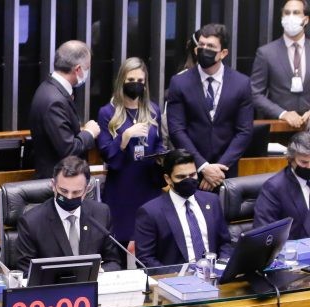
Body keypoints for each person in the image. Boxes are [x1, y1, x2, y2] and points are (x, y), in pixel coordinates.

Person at [166, 23, 253, 189]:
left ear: (223, 53)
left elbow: (244, 131)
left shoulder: (241, 83)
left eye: (211, 46)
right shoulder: (179, 82)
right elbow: (176, 129)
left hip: (226, 173)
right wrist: (203, 167)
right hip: (190, 171)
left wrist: (218, 169)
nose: (204, 49)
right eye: (201, 45)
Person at [97, 57, 164, 254]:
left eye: (140, 82)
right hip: (122, 188)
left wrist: (162, 155)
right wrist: (124, 137)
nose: (136, 85)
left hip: (148, 186)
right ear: (121, 82)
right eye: (131, 80)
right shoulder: (107, 113)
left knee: (149, 242)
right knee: (120, 245)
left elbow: (157, 143)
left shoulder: (153, 110)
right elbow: (108, 155)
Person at [16, 156, 122, 274]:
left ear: (86, 190)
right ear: (53, 185)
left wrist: (100, 271)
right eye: (63, 191)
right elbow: (25, 273)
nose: (69, 197)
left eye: (76, 192)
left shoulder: (101, 213)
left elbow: (113, 262)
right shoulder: (31, 222)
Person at [134, 149, 233, 267]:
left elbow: (225, 243)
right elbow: (145, 259)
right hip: (175, 279)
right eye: (181, 177)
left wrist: (221, 266)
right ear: (168, 179)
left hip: (213, 274)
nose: (188, 180)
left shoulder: (212, 201)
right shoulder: (150, 212)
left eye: (192, 175)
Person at [29, 40, 100, 179]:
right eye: (88, 68)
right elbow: (68, 149)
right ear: (78, 69)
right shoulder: (55, 100)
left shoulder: (49, 88)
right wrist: (89, 133)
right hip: (58, 182)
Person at [251, 1, 310, 127]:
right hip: (278, 127)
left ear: (306, 20)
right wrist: (283, 114)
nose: (291, 17)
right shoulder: (266, 53)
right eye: (287, 13)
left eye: (296, 13)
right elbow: (255, 93)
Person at [253, 131, 310, 238]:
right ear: (290, 159)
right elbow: (264, 232)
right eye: (304, 162)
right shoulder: (274, 187)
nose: (309, 166)